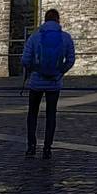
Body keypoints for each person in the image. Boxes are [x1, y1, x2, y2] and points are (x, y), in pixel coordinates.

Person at [21, 8, 76, 158]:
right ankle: (47, 148)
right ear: (58, 20)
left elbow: (25, 60)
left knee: (32, 114)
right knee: (51, 115)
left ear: (44, 20)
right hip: (54, 82)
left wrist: (33, 69)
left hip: (36, 82)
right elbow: (71, 60)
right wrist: (60, 71)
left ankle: (31, 146)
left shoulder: (34, 37)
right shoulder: (65, 38)